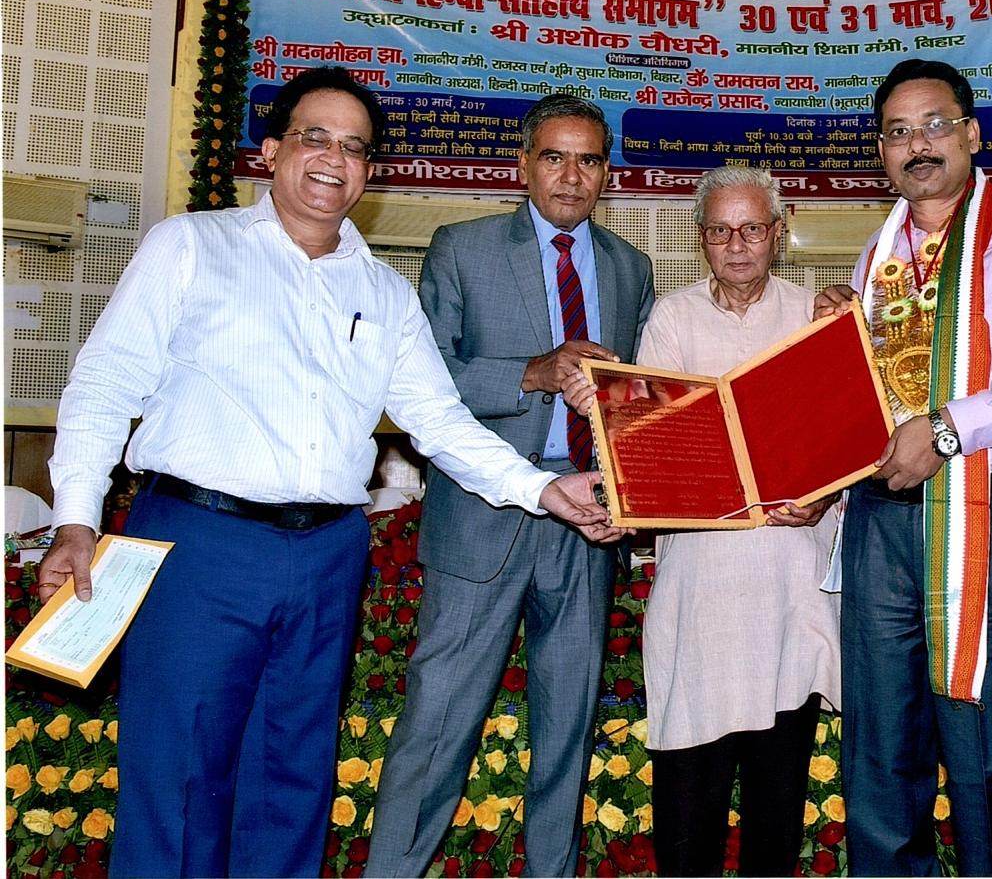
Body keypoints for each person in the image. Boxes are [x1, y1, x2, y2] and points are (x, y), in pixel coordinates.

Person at [38, 66, 618, 878]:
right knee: (179, 783)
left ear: (368, 171)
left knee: (292, 782)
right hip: (197, 544)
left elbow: (441, 420)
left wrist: (543, 488)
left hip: (326, 554)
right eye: (316, 138)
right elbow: (103, 382)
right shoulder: (191, 245)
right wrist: (75, 516)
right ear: (272, 151)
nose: (333, 159)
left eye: (354, 147)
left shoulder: (383, 291)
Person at [814, 58, 992, 875]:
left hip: (988, 511)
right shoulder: (881, 251)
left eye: (935, 124)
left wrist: (947, 430)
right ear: (882, 151)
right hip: (882, 521)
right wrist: (839, 336)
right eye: (898, 132)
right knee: (880, 744)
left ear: (972, 133)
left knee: (991, 742)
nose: (919, 144)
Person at [366, 94, 655, 877]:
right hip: (482, 514)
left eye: (588, 160)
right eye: (554, 157)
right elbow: (421, 384)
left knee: (568, 730)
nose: (571, 176)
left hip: (586, 521)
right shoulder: (461, 248)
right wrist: (533, 371)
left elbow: (637, 407)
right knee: (436, 724)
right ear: (523, 165)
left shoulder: (630, 268)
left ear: (606, 172)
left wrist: (631, 494)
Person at [567, 166, 842, 876]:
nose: (737, 245)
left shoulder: (816, 316)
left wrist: (826, 493)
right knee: (690, 804)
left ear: (778, 233)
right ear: (701, 240)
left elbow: (849, 442)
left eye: (752, 229)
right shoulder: (673, 317)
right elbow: (654, 447)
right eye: (720, 231)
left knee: (777, 806)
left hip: (789, 585)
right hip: (701, 590)